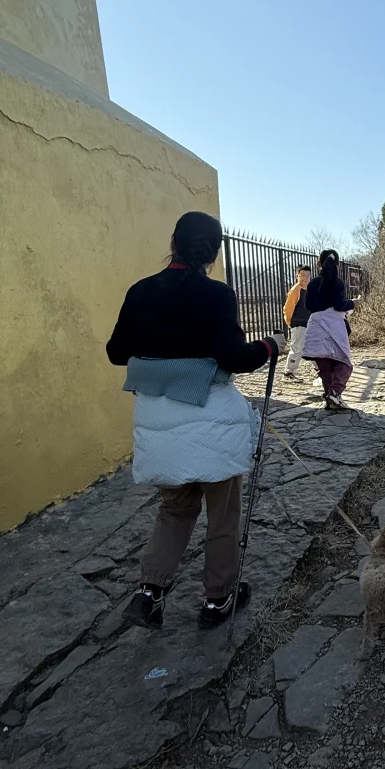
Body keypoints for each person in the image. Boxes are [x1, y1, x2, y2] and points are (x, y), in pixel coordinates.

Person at [106, 210, 285, 628]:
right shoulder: (216, 295)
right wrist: (269, 345)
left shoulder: (140, 292)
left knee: (175, 509)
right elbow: (235, 359)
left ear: (173, 241)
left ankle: (149, 591)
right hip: (209, 422)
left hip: (158, 420)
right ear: (215, 251)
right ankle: (218, 599)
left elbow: (116, 352)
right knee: (222, 512)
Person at [302, 248, 355, 411]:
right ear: (338, 264)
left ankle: (330, 399)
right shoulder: (337, 283)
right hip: (333, 326)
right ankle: (335, 392)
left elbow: (308, 306)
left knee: (324, 366)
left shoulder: (312, 284)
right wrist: (351, 303)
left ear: (319, 264)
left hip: (315, 326)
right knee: (344, 362)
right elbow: (339, 305)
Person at [282, 265, 312, 379]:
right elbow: (288, 308)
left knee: (311, 347)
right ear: (297, 276)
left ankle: (319, 369)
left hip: (308, 324)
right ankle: (289, 372)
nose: (305, 277)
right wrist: (290, 321)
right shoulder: (296, 290)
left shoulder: (309, 290)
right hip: (298, 323)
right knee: (297, 348)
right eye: (302, 275)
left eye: (307, 275)